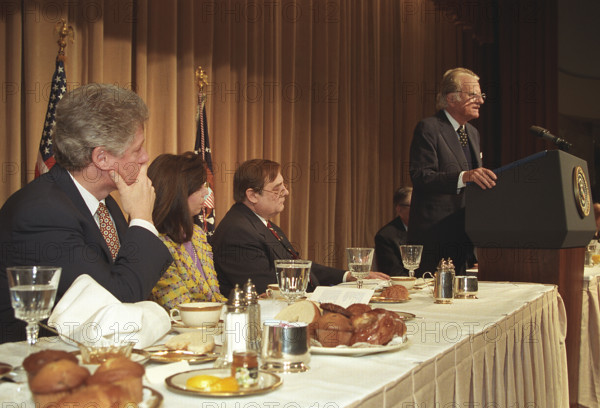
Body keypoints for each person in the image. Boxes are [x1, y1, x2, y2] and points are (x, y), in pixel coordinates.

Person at [0, 84, 173, 343]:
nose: (145, 157)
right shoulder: (42, 212)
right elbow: (115, 305)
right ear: (101, 158)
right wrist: (143, 219)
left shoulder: (106, 204)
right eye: (137, 149)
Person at [211, 159, 388, 295]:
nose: (286, 192)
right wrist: (330, 296)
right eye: (277, 189)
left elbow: (298, 267)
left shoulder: (261, 224)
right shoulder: (238, 232)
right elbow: (269, 289)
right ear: (252, 195)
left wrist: (348, 276)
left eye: (284, 187)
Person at [408, 68, 497, 276]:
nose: (481, 101)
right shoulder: (429, 128)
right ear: (452, 98)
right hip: (436, 236)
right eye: (473, 95)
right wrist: (464, 177)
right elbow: (421, 176)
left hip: (465, 235)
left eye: (481, 95)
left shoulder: (472, 133)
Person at [147, 152, 226, 309]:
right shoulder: (153, 243)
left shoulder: (197, 234)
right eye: (199, 187)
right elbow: (180, 307)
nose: (206, 192)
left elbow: (215, 297)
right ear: (177, 192)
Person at [374, 186, 412, 276]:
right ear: (399, 209)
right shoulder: (385, 236)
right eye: (414, 205)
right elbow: (394, 273)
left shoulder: (430, 231)